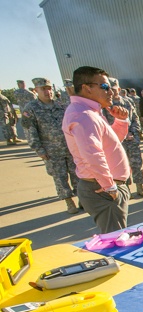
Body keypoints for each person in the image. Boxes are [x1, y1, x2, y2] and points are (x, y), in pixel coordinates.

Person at [62, 66, 131, 233]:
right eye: (105, 87)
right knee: (116, 241)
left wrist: (121, 121)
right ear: (87, 88)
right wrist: (110, 188)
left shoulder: (90, 112)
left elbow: (110, 144)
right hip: (103, 189)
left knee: (118, 237)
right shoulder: (84, 115)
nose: (111, 92)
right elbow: (92, 154)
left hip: (105, 186)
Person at [22, 77, 80, 213]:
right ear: (36, 90)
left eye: (49, 88)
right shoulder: (31, 109)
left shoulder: (61, 105)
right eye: (43, 89)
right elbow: (30, 131)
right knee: (59, 177)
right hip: (51, 150)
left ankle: (81, 198)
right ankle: (69, 201)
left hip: (69, 147)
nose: (47, 91)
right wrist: (39, 149)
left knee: (77, 173)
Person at [104, 79, 143, 197]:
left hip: (132, 139)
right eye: (109, 89)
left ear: (119, 89)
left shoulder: (128, 102)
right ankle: (126, 190)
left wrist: (133, 133)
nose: (112, 92)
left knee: (137, 163)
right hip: (116, 142)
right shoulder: (106, 106)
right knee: (122, 166)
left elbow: (135, 119)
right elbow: (105, 125)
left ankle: (140, 187)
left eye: (114, 89)